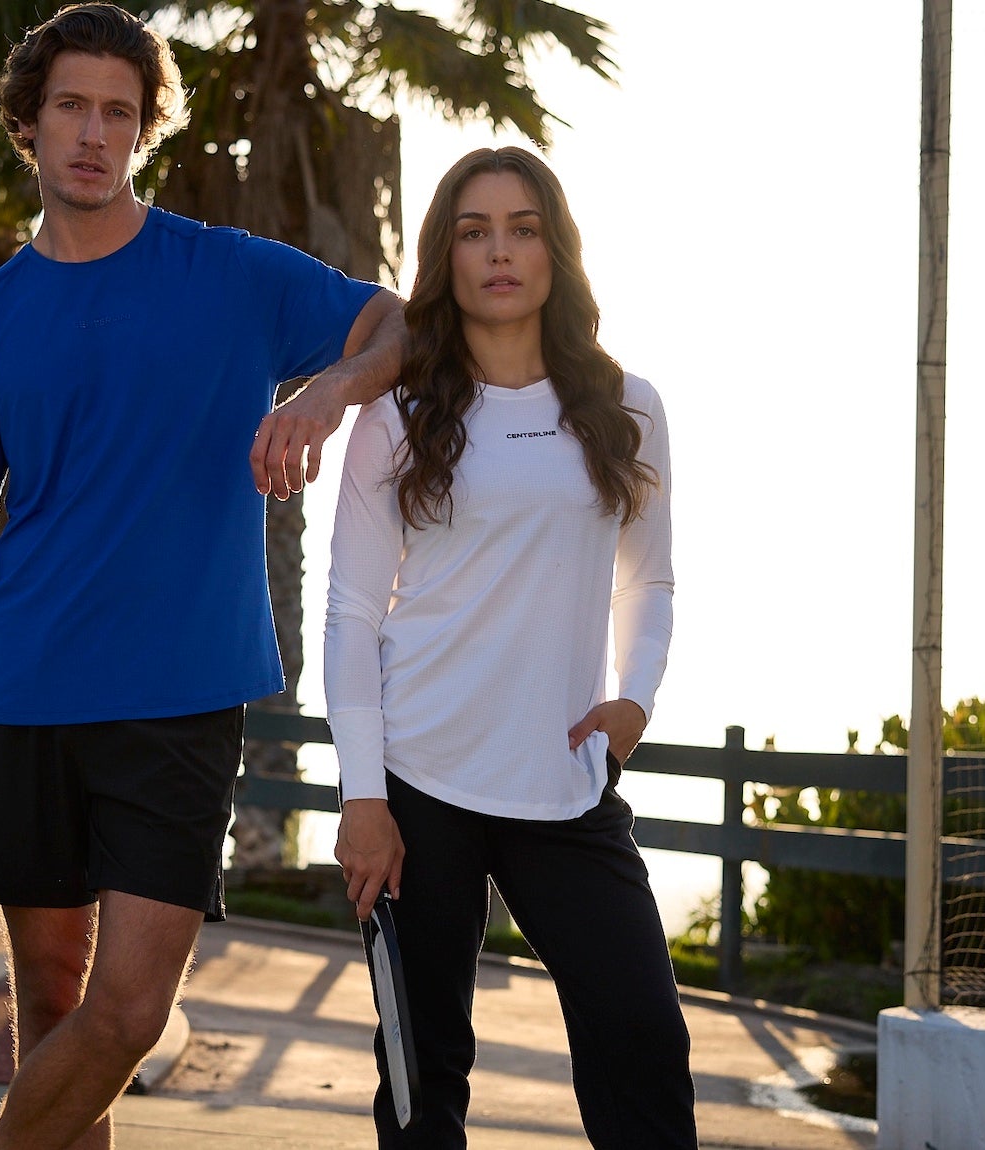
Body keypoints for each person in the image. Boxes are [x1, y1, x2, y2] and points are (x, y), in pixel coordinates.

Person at [0, 6, 407, 1149]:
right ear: (27, 123)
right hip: (21, 696)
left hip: (176, 698)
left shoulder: (230, 277)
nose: (94, 132)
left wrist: (321, 393)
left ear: (143, 130)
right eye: (71, 105)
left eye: (119, 111)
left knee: (123, 1014)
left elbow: (400, 324)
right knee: (50, 1007)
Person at [323, 146, 698, 1149]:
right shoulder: (395, 418)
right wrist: (363, 796)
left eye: (522, 228)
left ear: (557, 251)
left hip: (565, 788)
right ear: (444, 255)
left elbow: (647, 577)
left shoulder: (628, 407)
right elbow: (352, 612)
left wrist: (637, 696)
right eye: (473, 230)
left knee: (642, 1042)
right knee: (419, 1073)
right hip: (416, 785)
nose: (499, 252)